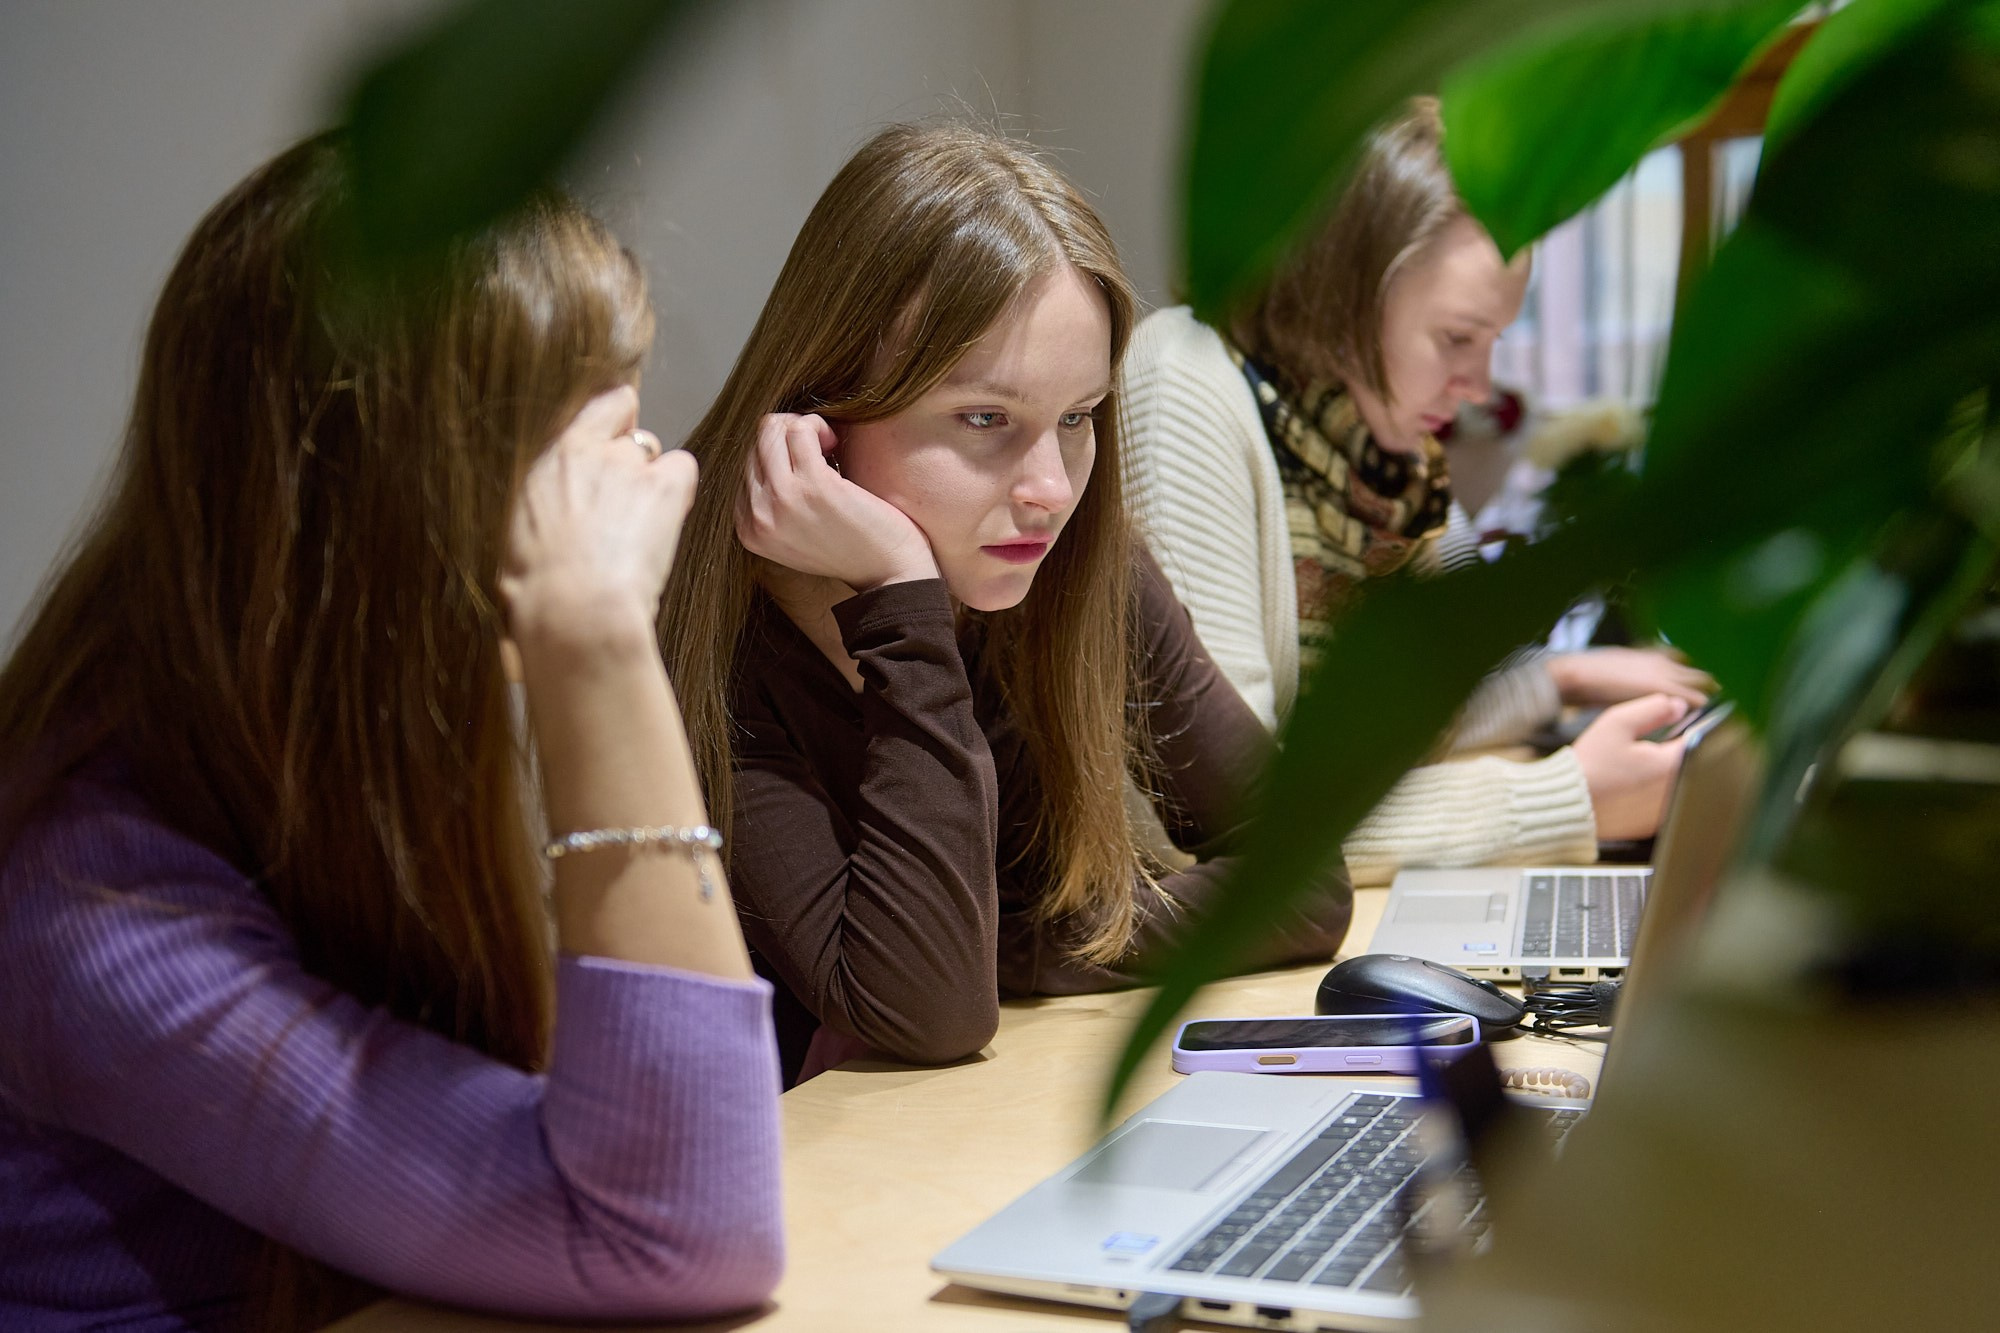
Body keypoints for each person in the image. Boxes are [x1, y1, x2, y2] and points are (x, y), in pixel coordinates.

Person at [0, 137, 782, 1332]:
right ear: (388, 501)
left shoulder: (328, 756)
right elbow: (682, 1227)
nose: (642, 477)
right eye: (582, 456)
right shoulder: (98, 912)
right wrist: (596, 642)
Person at [658, 122, 1352, 1084]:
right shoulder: (713, 631)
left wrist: (1018, 949)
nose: (1050, 488)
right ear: (823, 403)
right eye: (986, 419)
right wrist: (900, 596)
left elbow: (1306, 879)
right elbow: (928, 1008)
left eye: (1076, 419)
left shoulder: (1076, 566)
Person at [1120, 96, 1712, 887]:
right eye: (1456, 338)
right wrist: (1565, 799)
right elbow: (1231, 818)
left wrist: (1561, 681)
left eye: (1492, 341)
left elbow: (1419, 719)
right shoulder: (1184, 380)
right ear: (1345, 287)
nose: (1476, 386)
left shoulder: (1388, 459)